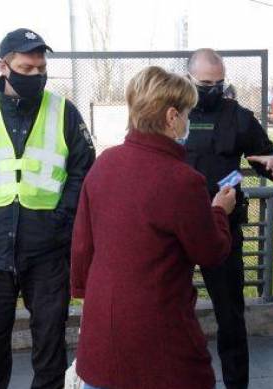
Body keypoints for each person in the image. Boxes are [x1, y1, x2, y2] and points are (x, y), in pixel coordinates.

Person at [0, 28, 95, 389]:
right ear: (3, 67)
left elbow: (84, 170)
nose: (35, 76)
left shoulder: (64, 112)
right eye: (26, 68)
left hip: (47, 251)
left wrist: (62, 219)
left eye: (41, 69)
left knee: (50, 348)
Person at [70, 66, 236, 389]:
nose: (189, 121)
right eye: (187, 113)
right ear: (172, 117)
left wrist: (85, 299)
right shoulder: (183, 180)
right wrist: (219, 211)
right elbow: (212, 251)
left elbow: (82, 246)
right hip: (160, 342)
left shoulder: (105, 163)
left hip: (101, 335)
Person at [185, 48, 273, 389]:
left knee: (231, 317)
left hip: (223, 230)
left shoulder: (237, 116)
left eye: (219, 83)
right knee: (169, 313)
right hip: (177, 230)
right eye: (205, 83)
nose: (213, 90)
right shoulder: (172, 113)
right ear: (188, 79)